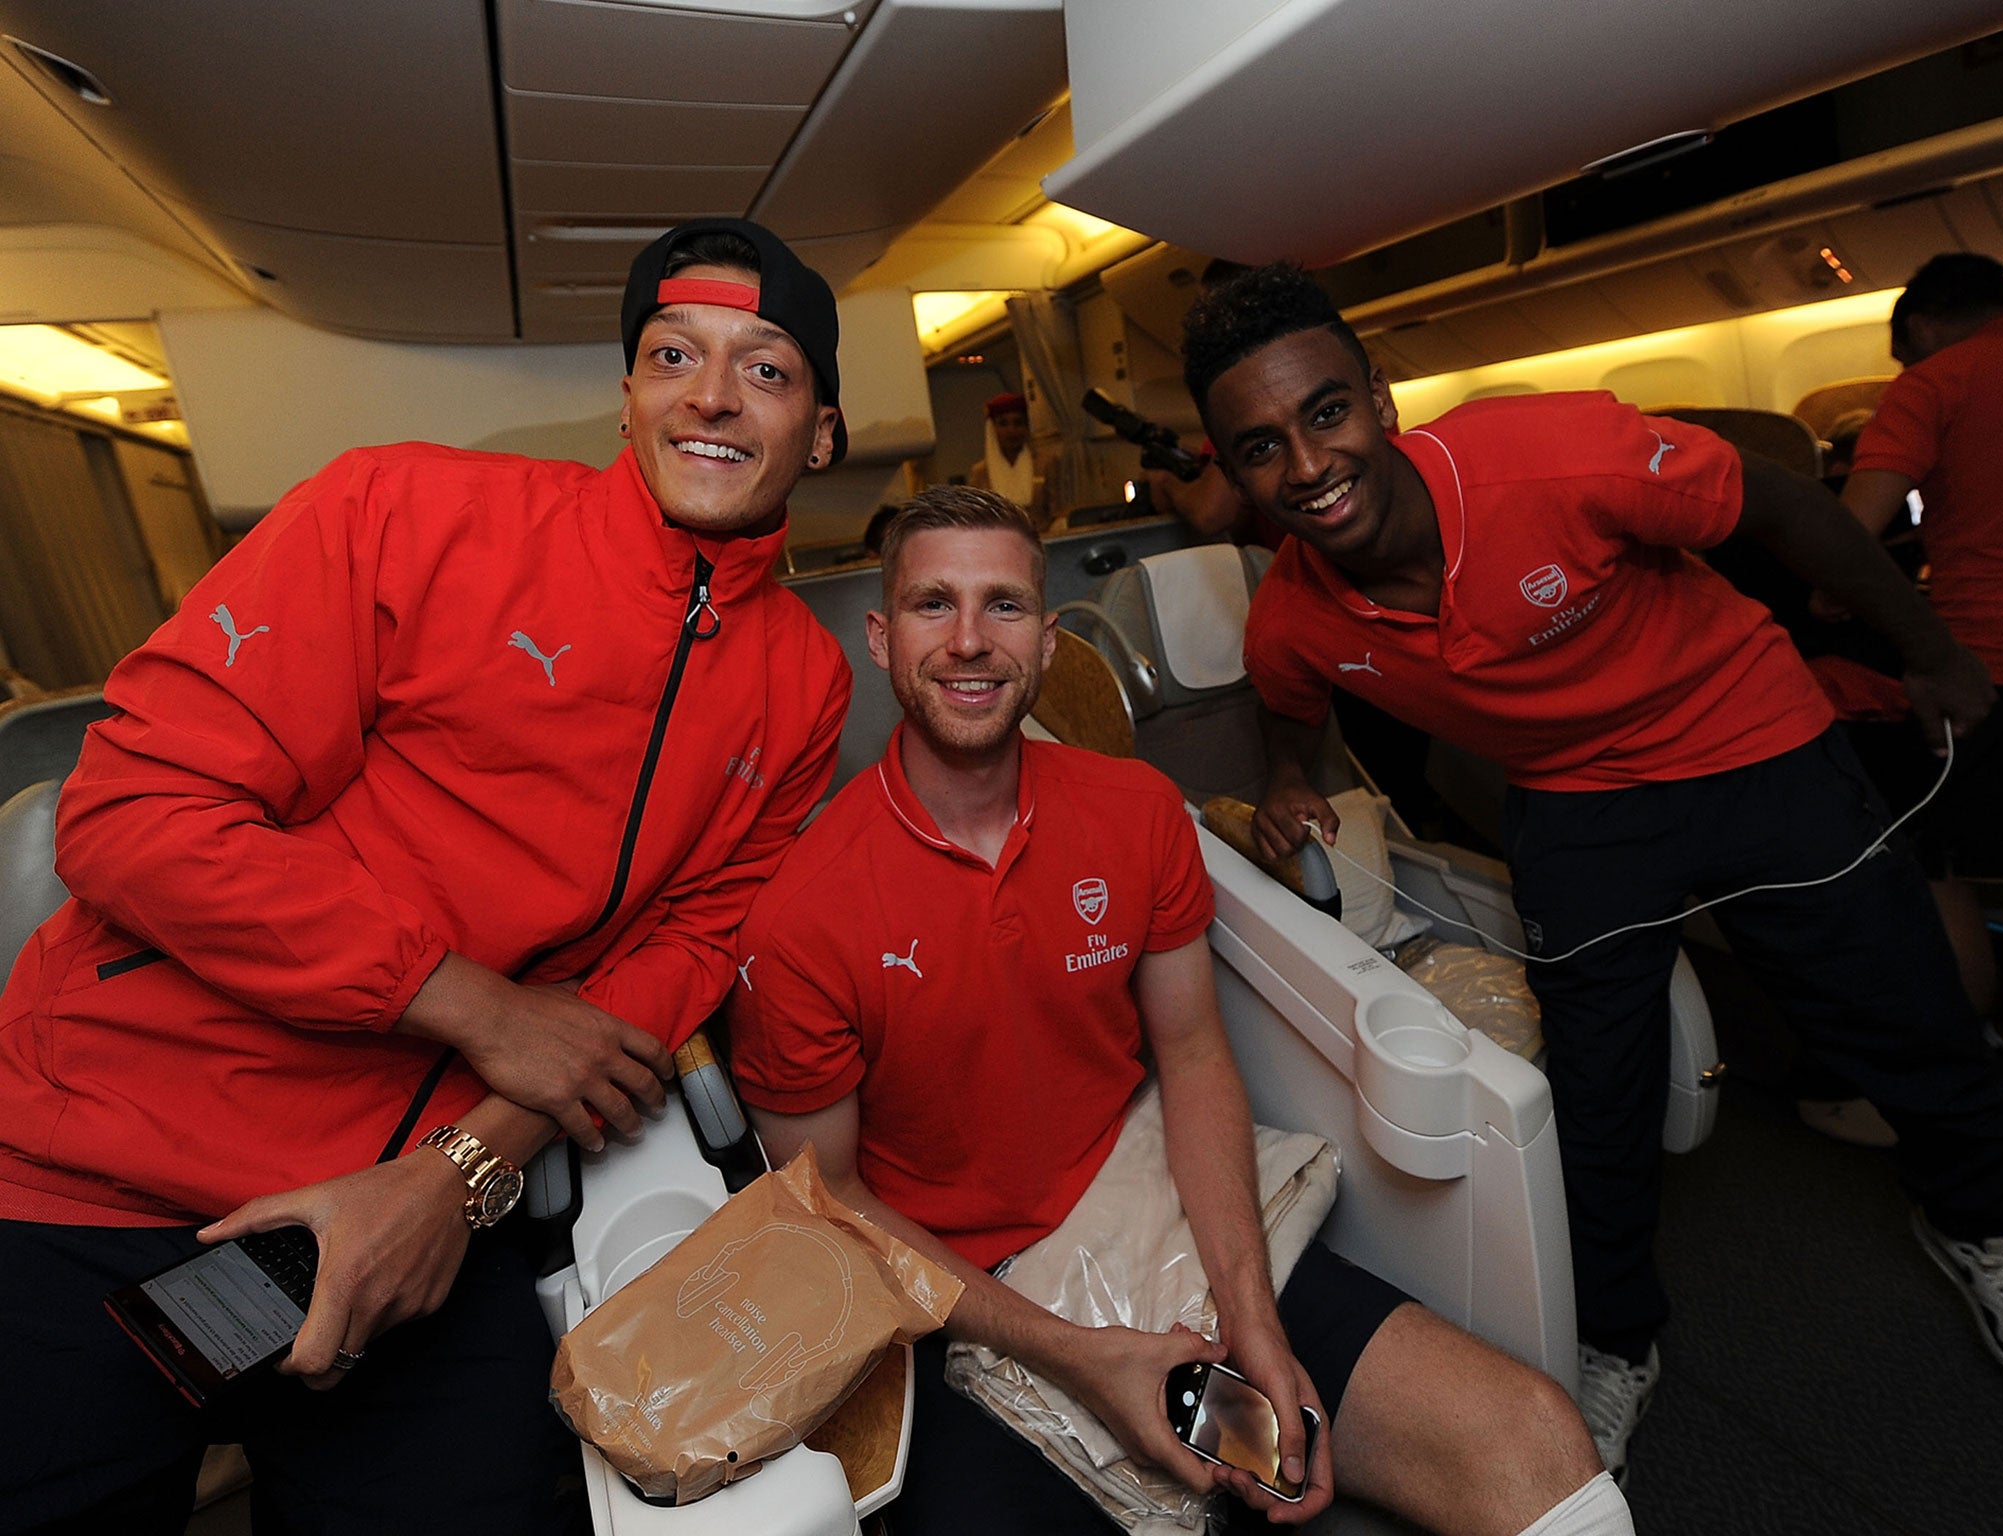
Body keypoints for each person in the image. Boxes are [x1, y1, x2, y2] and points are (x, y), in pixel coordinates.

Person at [0, 217, 853, 1534]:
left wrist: (462, 1172)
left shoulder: (802, 680)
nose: (712, 393)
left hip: (415, 1222)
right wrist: (479, 1009)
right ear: (628, 396)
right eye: (673, 352)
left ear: (825, 432)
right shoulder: (403, 513)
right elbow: (131, 815)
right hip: (86, 1184)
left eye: (769, 368)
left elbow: (691, 939)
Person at [1182, 262, 2003, 1480]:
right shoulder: (1294, 615)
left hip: (1750, 735)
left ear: (1378, 397)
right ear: (1229, 465)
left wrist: (1928, 656)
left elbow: (1784, 508)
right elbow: (1289, 712)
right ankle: (1617, 1336)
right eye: (1261, 446)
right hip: (1580, 806)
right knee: (1595, 1081)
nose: (1308, 466)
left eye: (1325, 413)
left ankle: (1976, 1221)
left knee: (1892, 999)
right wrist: (1282, 780)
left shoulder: (1548, 456)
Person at [727, 486, 1631, 1536]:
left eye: (1004, 606)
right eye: (934, 605)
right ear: (881, 638)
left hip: (1144, 1195)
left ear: (1048, 635)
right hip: (958, 1291)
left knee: (1529, 1440)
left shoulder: (1134, 811)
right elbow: (828, 1202)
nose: (969, 642)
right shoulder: (800, 916)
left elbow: (1193, 1053)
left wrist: (1250, 1320)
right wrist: (1080, 1355)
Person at [1838, 253, 2003, 1059]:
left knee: (1939, 861)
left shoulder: (1936, 382)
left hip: (1995, 668)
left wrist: (1829, 592)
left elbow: (1851, 534)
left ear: (1920, 327)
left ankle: (1962, 1075)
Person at [967, 390, 1049, 526]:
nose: (1012, 430)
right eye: (1003, 424)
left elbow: (1059, 512)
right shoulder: (980, 472)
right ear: (993, 430)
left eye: (1018, 423)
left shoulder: (1045, 463)